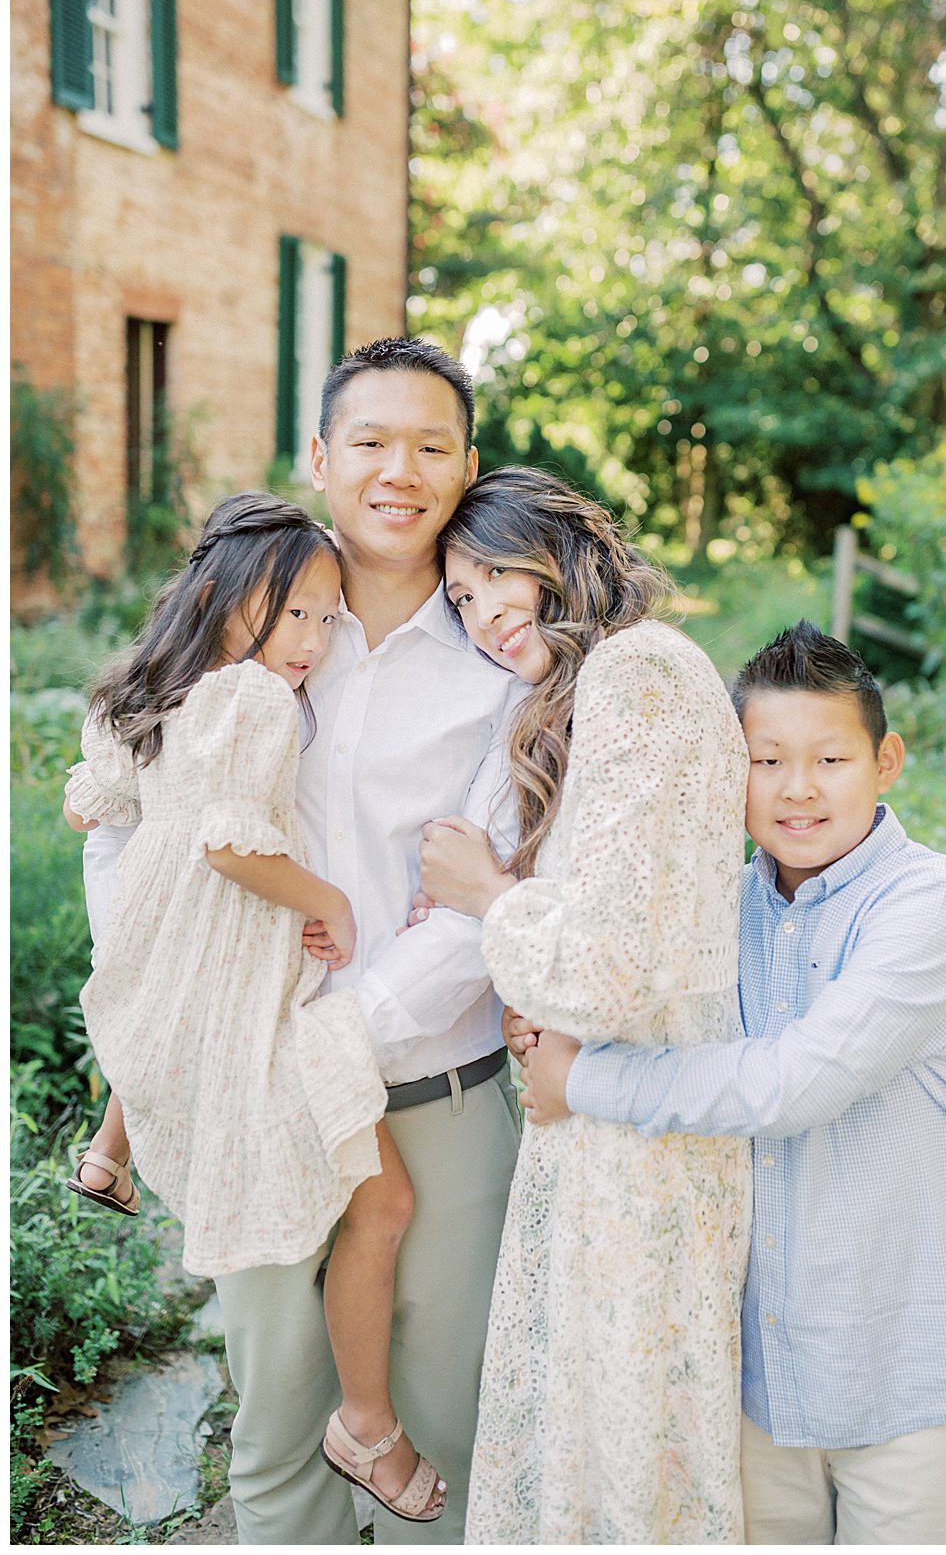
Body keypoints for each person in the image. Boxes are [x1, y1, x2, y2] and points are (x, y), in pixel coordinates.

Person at [79, 339, 524, 1545]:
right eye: (371, 441)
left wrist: (332, 1029)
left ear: (467, 466)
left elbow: (497, 883)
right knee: (277, 1432)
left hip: (436, 1086)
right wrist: (179, 993)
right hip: (245, 1092)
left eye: (432, 446)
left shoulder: (504, 660)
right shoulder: (241, 630)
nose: (401, 470)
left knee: (444, 1423)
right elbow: (129, 829)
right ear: (321, 458)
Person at [520, 620, 946, 1546]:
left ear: (886, 759)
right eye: (765, 759)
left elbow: (793, 1083)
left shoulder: (926, 903)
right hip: (756, 1379)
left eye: (829, 758)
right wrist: (546, 1017)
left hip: (906, 1372)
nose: (797, 789)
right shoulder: (725, 905)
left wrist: (586, 1078)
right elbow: (627, 992)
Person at [63, 490, 447, 1522]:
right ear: (232, 598)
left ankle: (112, 1150)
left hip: (167, 944)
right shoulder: (258, 702)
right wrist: (326, 899)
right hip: (242, 982)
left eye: (330, 618)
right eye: (295, 615)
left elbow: (89, 800)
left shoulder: (162, 691)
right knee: (385, 1200)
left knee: (160, 1030)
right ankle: (363, 1421)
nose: (315, 641)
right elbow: (231, 845)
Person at [411, 466, 753, 1545]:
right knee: (597, 1448)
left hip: (639, 1133)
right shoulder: (599, 684)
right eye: (459, 600)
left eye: (493, 574)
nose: (483, 611)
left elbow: (609, 968)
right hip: (604, 1112)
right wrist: (533, 981)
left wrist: (488, 900)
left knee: (624, 1457)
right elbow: (627, 924)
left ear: (558, 549)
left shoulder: (639, 671)